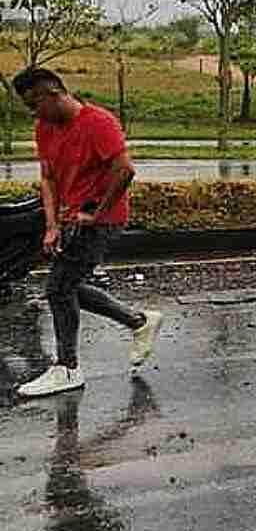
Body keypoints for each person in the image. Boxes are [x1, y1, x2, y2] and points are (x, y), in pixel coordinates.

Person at [12, 67, 163, 399]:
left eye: (33, 104)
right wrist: (51, 226)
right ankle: (139, 321)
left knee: (58, 287)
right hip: (69, 219)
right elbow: (49, 178)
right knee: (68, 287)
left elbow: (125, 170)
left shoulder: (97, 122)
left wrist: (96, 213)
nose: (32, 113)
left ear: (52, 93)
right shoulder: (45, 128)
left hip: (100, 220)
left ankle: (67, 367)